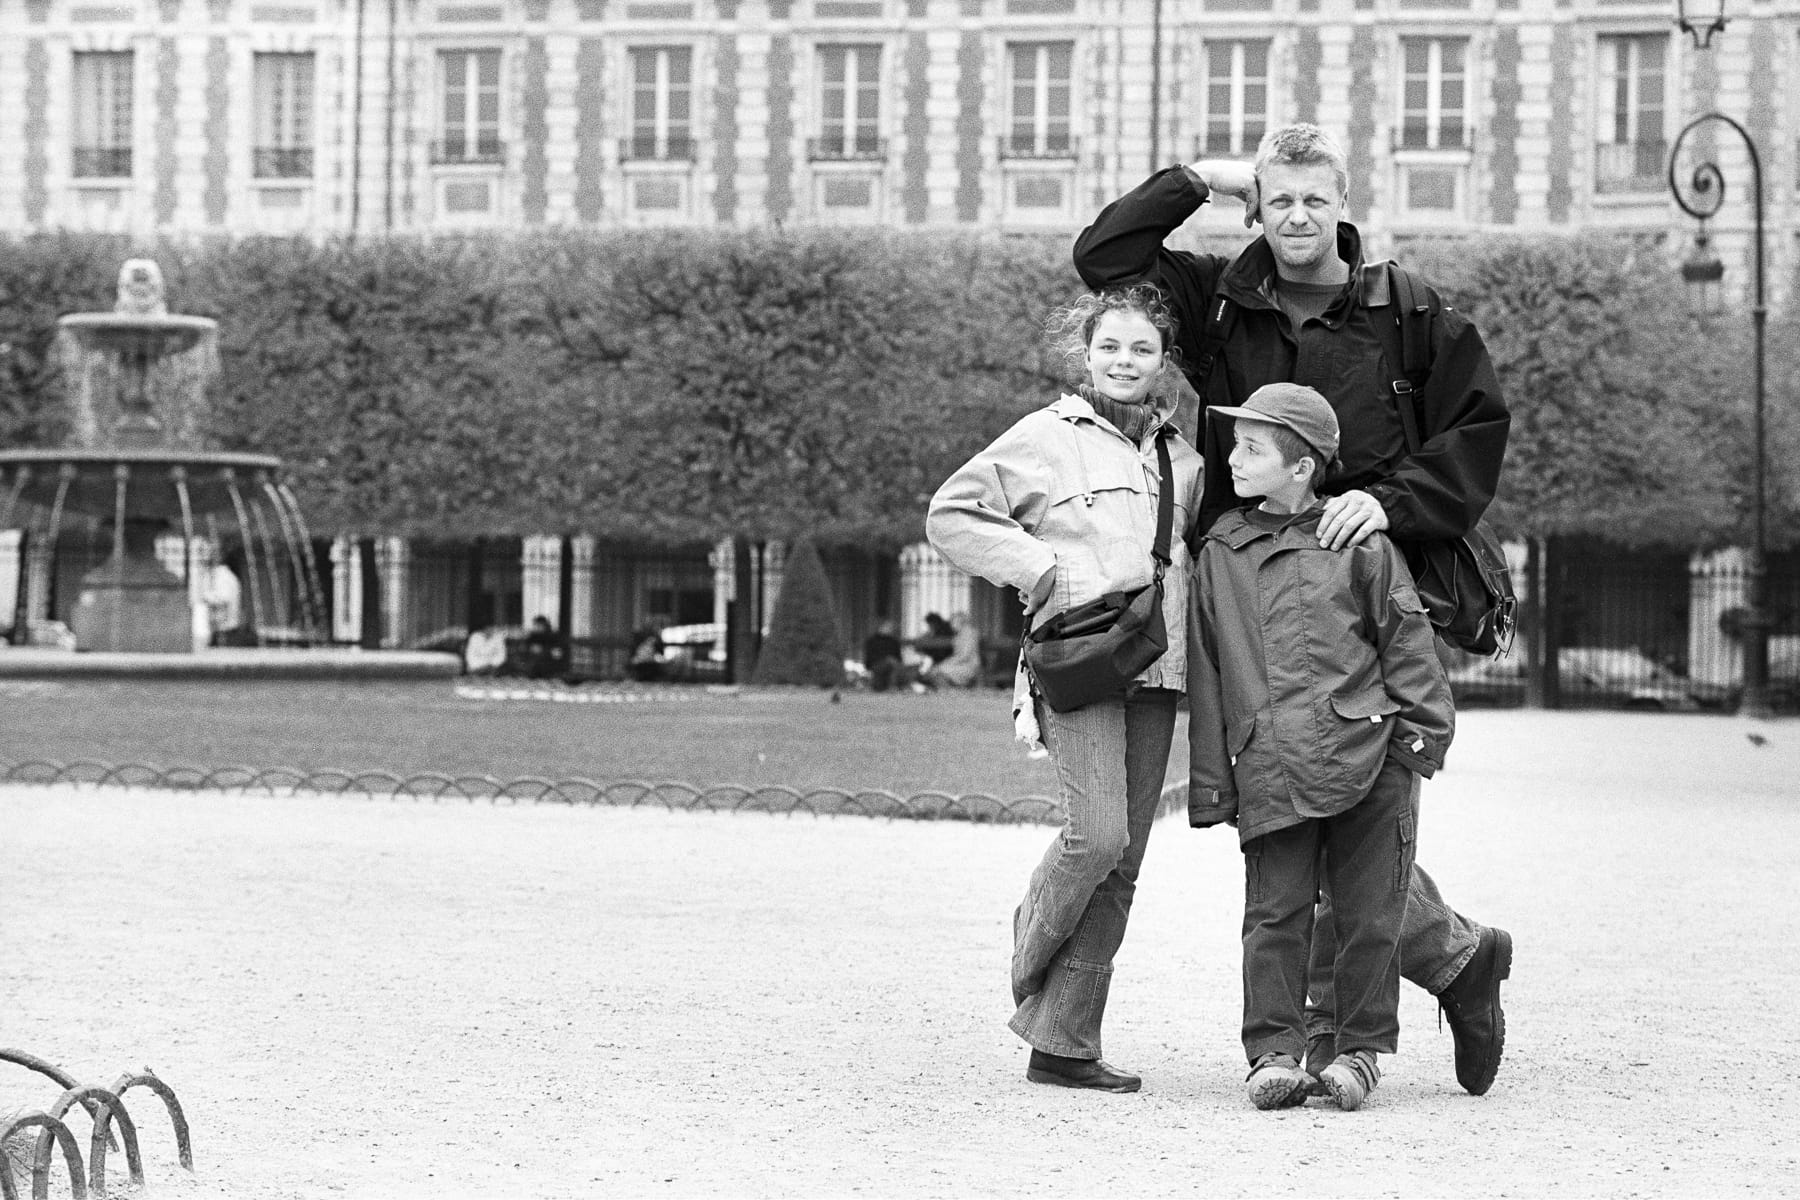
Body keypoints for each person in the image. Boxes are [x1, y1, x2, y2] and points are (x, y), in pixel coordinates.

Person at [1074, 121, 1514, 1097]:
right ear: (1258, 208)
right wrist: (1198, 179)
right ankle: (1449, 959)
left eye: (1316, 199)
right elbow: (1102, 256)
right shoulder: (1218, 299)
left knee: (1323, 801)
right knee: (1283, 802)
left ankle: (1355, 1019)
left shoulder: (1407, 308)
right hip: (1247, 579)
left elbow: (1476, 426)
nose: (1300, 217)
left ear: (1343, 202)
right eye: (1279, 200)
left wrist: (1390, 504)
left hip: (1363, 581)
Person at [927, 285, 1203, 1093]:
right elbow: (952, 513)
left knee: (1125, 865)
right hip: (1078, 662)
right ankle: (1029, 952)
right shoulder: (1044, 438)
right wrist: (1040, 567)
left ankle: (1065, 1042)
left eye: (1141, 350)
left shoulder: (1183, 457)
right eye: (1110, 347)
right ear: (1087, 354)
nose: (1124, 362)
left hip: (1158, 668)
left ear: (1163, 364)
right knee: (1098, 838)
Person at [1188, 383, 1454, 1111]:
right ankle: (1273, 1050)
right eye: (1235, 443)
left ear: (1302, 466)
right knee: (1274, 914)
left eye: (1252, 447)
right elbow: (1209, 670)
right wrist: (1214, 780)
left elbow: (1406, 638)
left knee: (1370, 915)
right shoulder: (1222, 549)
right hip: (1270, 760)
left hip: (1370, 758)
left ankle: (1355, 1050)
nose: (1233, 458)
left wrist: (1418, 743)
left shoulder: (1359, 541)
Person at [924, 612, 983, 688]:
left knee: (939, 670)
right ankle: (951, 692)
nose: (951, 625)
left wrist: (944, 664)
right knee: (937, 670)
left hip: (969, 665)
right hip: (960, 664)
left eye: (953, 622)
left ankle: (952, 692)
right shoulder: (959, 635)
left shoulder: (969, 633)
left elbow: (964, 656)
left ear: (960, 621)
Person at [862, 620, 905, 691]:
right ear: (881, 627)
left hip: (893, 665)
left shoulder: (894, 642)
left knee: (895, 665)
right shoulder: (872, 641)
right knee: (891, 662)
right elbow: (869, 657)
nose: (890, 629)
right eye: (888, 627)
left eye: (891, 627)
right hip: (876, 664)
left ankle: (893, 686)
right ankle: (892, 686)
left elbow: (899, 657)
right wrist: (886, 659)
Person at [522, 614, 564, 680]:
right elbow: (526, 648)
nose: (537, 627)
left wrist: (543, 650)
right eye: (536, 625)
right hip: (534, 663)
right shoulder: (532, 636)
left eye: (540, 625)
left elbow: (557, 653)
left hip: (549, 662)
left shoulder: (552, 636)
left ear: (545, 626)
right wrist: (531, 649)